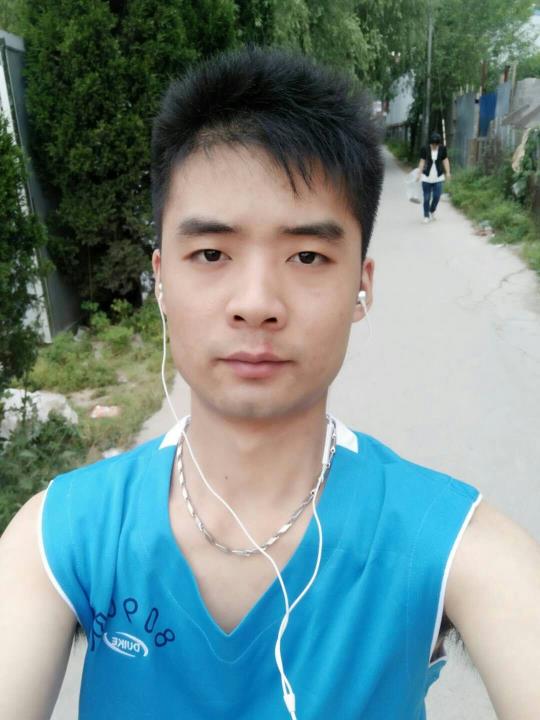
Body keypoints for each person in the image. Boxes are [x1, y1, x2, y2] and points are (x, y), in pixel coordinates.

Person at [1, 47, 539, 720]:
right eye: (211, 253)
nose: (256, 303)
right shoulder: (63, 534)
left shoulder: (451, 541)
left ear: (361, 287)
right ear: (161, 280)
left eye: (307, 255)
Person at [417, 131, 451, 224]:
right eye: (433, 144)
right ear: (430, 143)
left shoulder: (442, 149)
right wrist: (419, 173)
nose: (435, 146)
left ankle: (432, 210)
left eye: (436, 144)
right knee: (426, 197)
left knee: (437, 196)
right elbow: (422, 161)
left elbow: (445, 160)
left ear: (439, 143)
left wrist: (448, 172)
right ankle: (426, 215)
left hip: (438, 177)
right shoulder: (425, 149)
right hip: (426, 177)